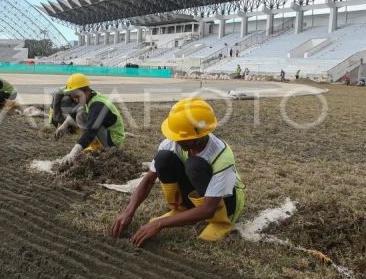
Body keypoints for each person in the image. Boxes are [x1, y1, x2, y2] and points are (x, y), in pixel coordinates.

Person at [109, 98, 245, 246]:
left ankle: (220, 222)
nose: (174, 140)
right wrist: (129, 211)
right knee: (163, 158)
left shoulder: (221, 155)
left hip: (224, 203)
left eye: (180, 138)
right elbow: (148, 180)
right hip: (202, 196)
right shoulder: (172, 143)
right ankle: (179, 208)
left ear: (197, 138)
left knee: (195, 165)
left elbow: (208, 208)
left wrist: (159, 224)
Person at [55, 73, 125, 164]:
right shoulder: (90, 96)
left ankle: (102, 149)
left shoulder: (97, 105)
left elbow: (91, 131)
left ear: (86, 91)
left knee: (88, 121)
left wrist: (73, 153)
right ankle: (94, 145)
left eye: (77, 96)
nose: (75, 99)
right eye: (73, 96)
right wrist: (64, 125)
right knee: (81, 113)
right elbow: (76, 111)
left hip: (113, 142)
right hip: (106, 133)